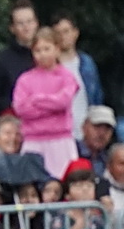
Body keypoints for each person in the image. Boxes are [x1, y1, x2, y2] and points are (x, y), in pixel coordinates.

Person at [11, 27, 81, 179]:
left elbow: (63, 102)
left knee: (63, 181)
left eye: (47, 49)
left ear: (57, 49)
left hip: (60, 140)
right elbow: (20, 108)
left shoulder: (66, 77)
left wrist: (36, 99)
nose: (42, 54)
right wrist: (51, 104)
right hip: (33, 141)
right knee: (31, 183)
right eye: (38, 50)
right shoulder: (25, 79)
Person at [0, 0, 39, 119]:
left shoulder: (50, 54)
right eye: (20, 23)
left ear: (36, 23)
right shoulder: (2, 60)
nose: (26, 27)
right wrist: (13, 104)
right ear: (12, 28)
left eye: (29, 21)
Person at [51, 11, 105, 139]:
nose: (62, 37)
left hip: (85, 133)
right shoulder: (49, 67)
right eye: (58, 33)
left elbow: (97, 97)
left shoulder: (87, 63)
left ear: (75, 33)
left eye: (66, 31)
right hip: (59, 133)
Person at [78, 105, 117, 176]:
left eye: (107, 128)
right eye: (97, 126)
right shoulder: (71, 153)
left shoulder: (109, 159)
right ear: (84, 127)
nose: (102, 133)